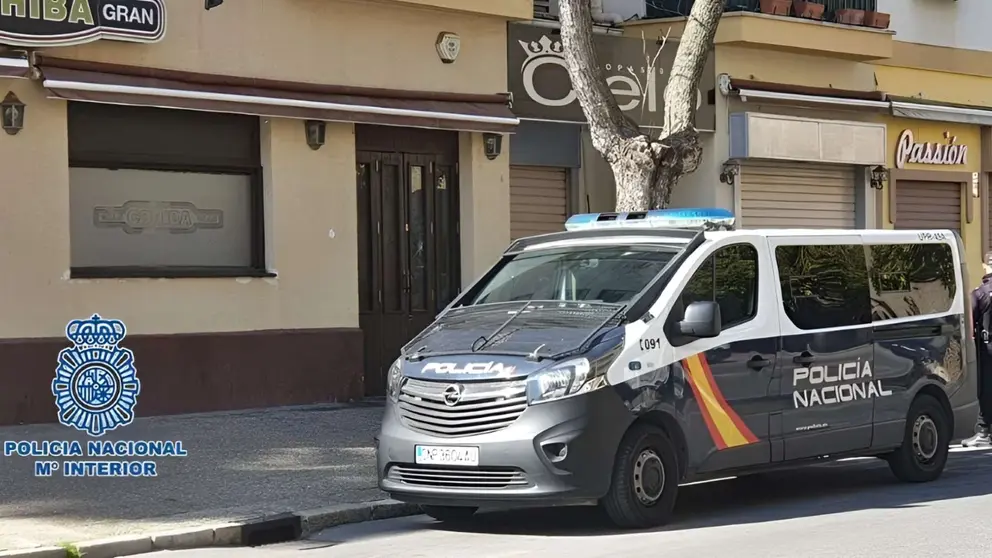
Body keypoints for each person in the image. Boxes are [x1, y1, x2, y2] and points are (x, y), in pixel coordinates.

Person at [962, 253, 992, 447]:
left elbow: (968, 323)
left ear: (984, 266)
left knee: (986, 388)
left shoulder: (979, 293)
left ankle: (983, 430)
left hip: (987, 349)